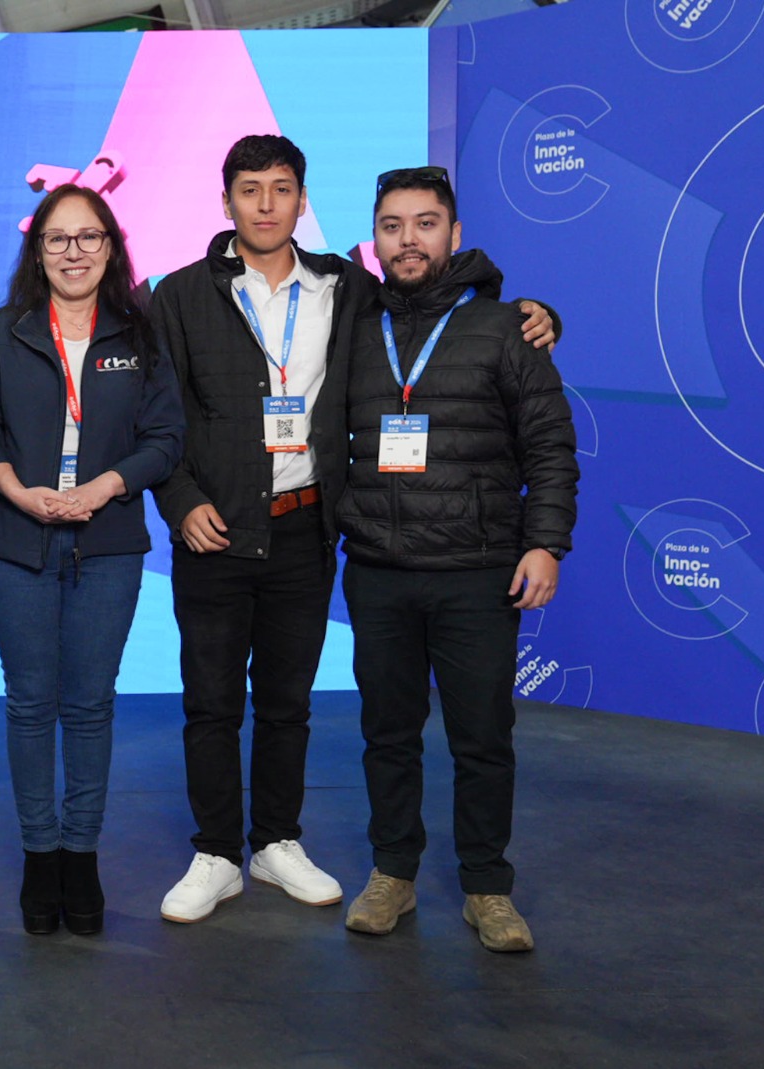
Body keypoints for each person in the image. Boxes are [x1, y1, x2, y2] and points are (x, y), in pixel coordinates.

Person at [149, 135, 557, 924]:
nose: (266, 204)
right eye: (249, 190)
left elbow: (444, 295)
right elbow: (157, 412)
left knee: (288, 703)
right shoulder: (179, 295)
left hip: (308, 531)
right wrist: (180, 499)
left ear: (303, 201)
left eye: (281, 189)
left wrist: (538, 315)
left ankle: (276, 841)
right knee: (211, 704)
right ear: (225, 200)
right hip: (215, 532)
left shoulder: (347, 288)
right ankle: (215, 853)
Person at [338, 166, 578, 952]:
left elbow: (551, 445)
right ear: (374, 240)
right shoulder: (352, 325)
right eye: (392, 226)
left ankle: (487, 886)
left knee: (482, 737)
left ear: (455, 233)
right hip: (378, 569)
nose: (408, 240)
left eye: (425, 223)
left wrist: (544, 542)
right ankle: (392, 873)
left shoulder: (507, 327)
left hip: (478, 571)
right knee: (387, 733)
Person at [0, 186, 184, 935]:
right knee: (31, 703)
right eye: (57, 239)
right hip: (14, 538)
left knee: (90, 705)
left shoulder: (141, 333)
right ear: (37, 252)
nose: (73, 252)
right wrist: (17, 492)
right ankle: (39, 857)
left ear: (111, 247)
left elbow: (165, 437)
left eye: (89, 237)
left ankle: (81, 855)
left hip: (108, 539)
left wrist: (106, 485)